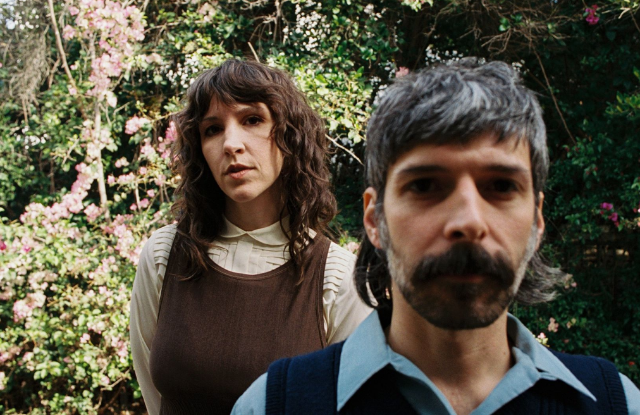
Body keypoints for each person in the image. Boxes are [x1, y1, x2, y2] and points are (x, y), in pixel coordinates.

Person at [232, 59, 640, 414]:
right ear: (374, 219)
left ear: (536, 219)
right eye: (425, 186)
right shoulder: (271, 406)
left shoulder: (618, 404)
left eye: (501, 186)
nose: (468, 221)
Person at [129, 59, 371, 415]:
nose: (231, 144)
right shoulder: (164, 255)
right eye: (213, 129)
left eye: (252, 120)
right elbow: (154, 394)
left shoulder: (337, 279)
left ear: (289, 136)